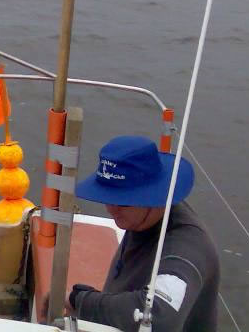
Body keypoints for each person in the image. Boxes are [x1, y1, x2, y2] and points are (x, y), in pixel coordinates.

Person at [39, 135, 220, 331]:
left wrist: (79, 300)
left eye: (123, 201)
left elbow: (157, 318)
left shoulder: (186, 249)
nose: (111, 209)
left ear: (153, 197)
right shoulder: (141, 218)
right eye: (107, 198)